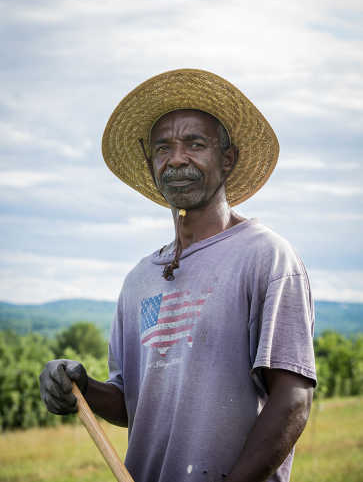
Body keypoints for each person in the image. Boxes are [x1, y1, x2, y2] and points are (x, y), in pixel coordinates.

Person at [40, 69, 316, 482]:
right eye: (163, 148)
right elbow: (133, 402)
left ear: (228, 159)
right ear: (151, 165)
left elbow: (292, 399)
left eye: (195, 144)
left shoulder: (268, 257)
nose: (177, 159)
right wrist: (81, 386)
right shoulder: (138, 281)